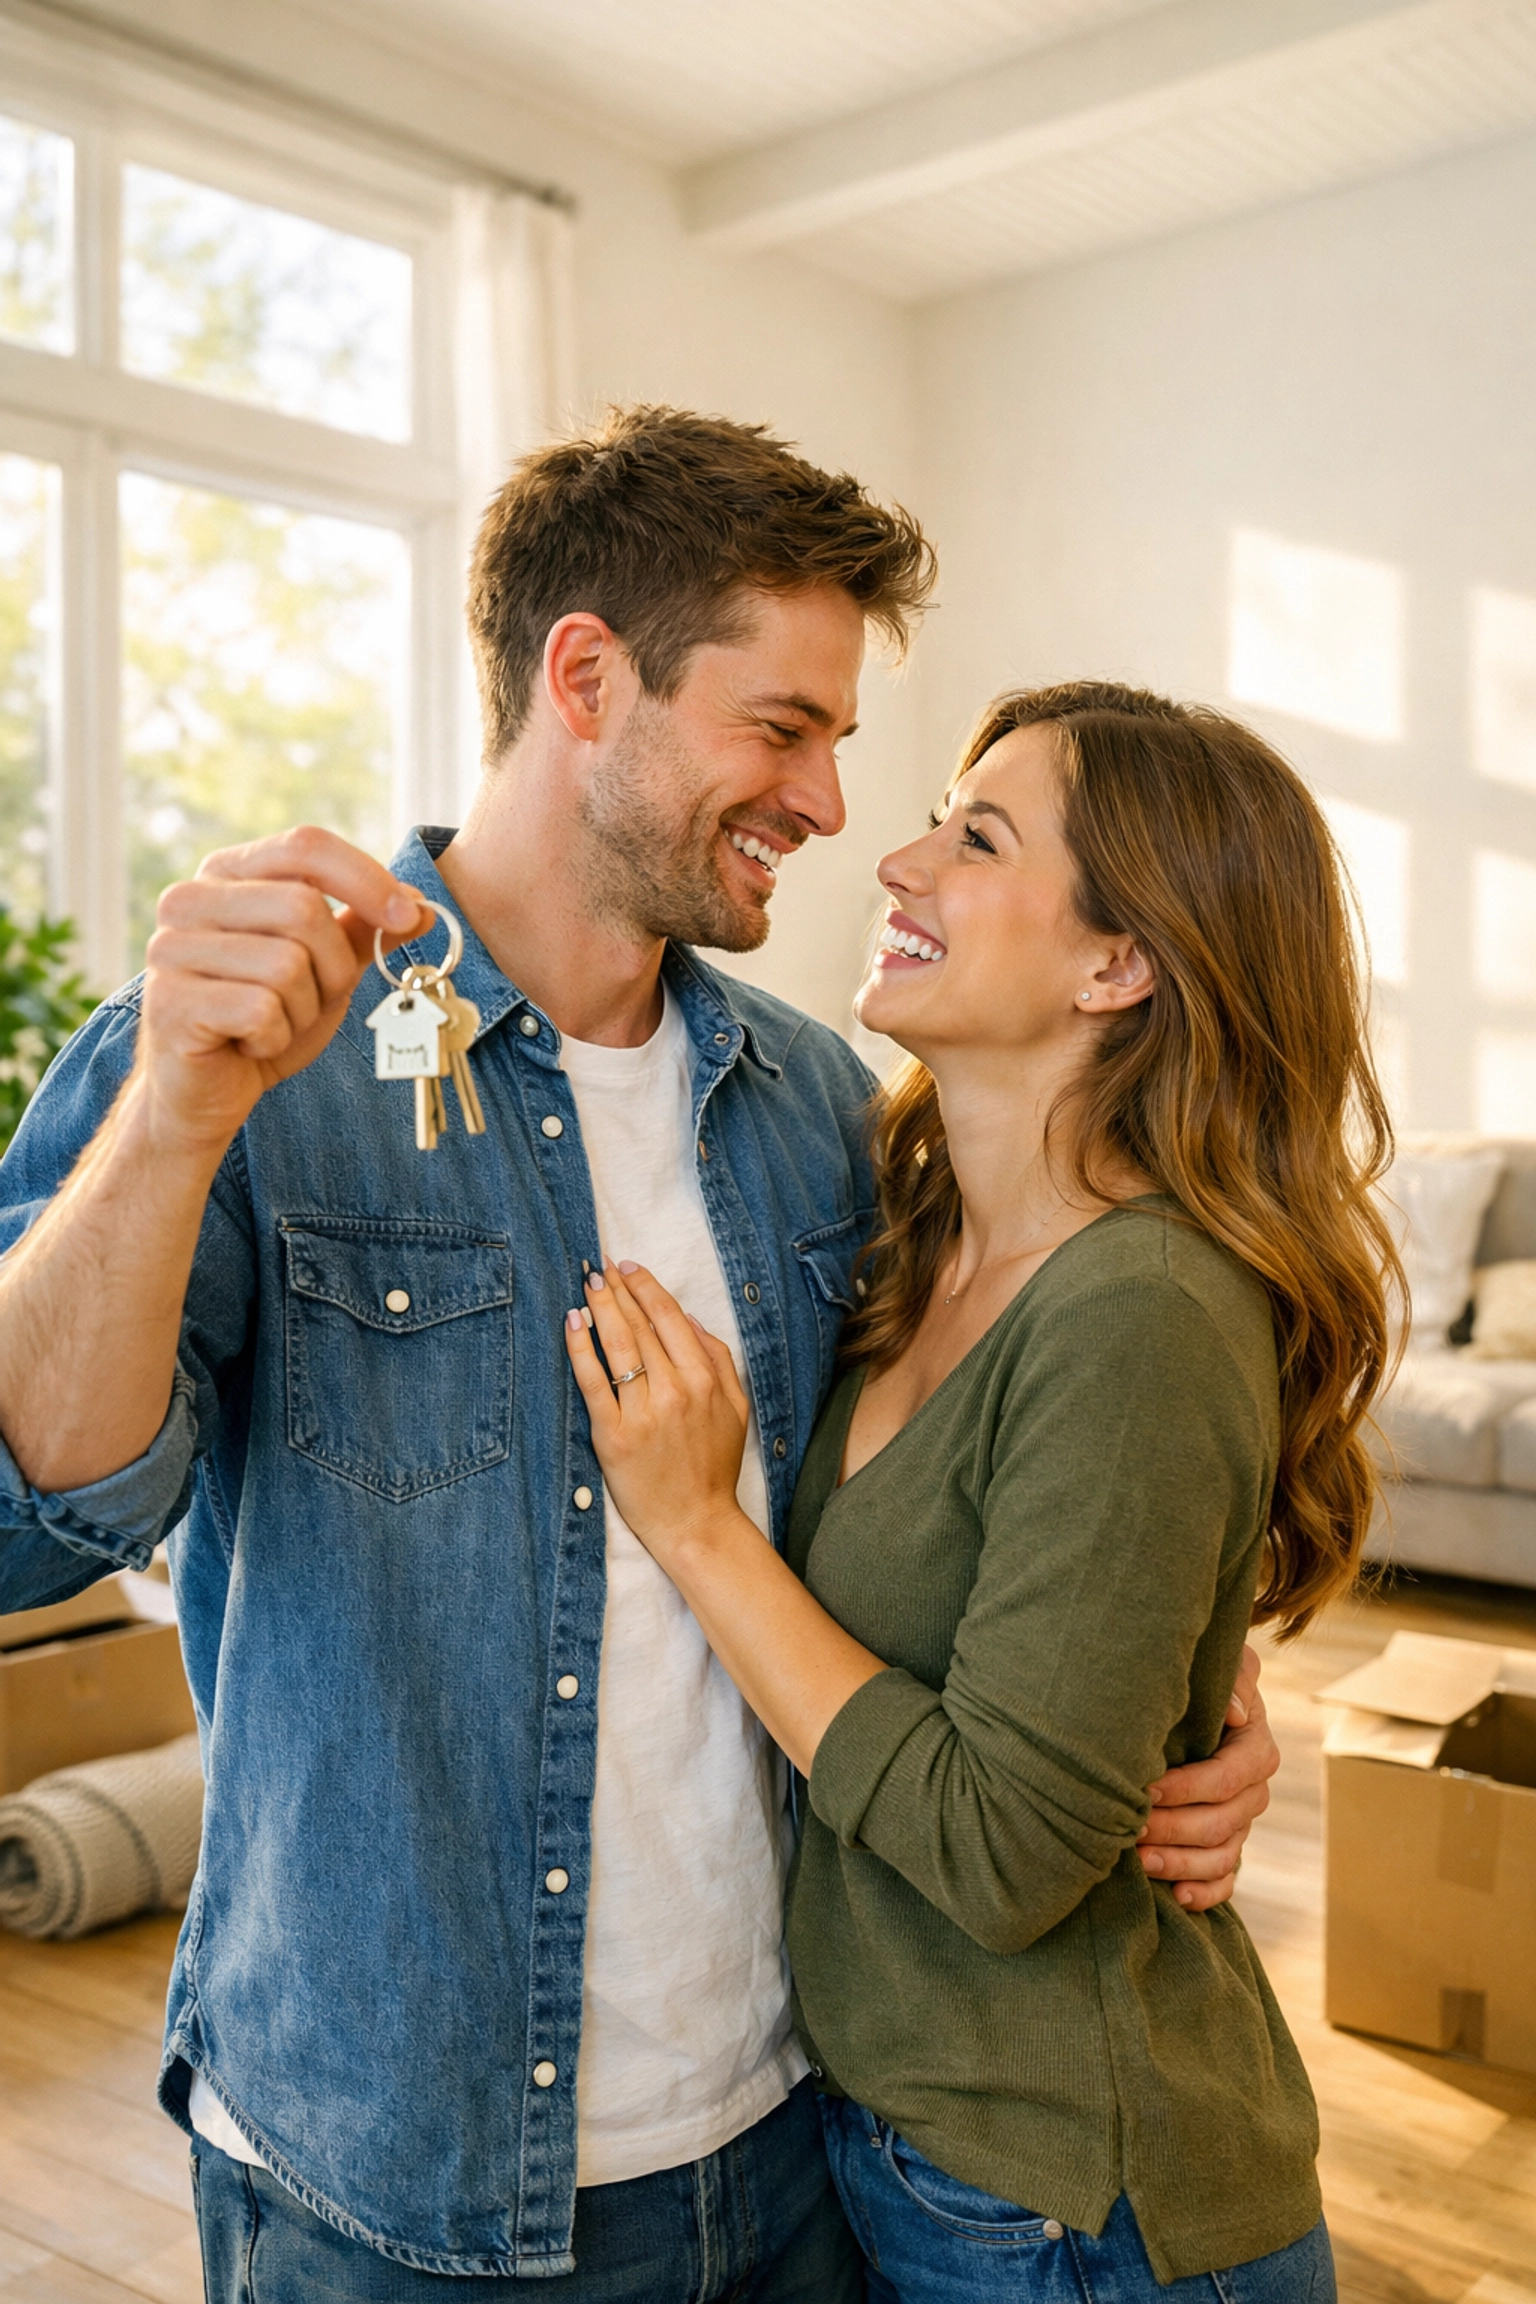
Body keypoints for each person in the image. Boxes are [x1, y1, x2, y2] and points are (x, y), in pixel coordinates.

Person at [0, 417, 1277, 2301]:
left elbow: (1033, 1442)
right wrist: (180, 1124)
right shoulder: (244, 1062)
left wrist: (1192, 1696)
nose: (834, 806)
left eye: (841, 740)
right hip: (390, 2177)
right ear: (587, 677)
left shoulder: (827, 1111)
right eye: (784, 728)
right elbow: (31, 1531)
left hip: (791, 2141)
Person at [562, 680, 1398, 2299]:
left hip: (1078, 2211)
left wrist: (696, 1524)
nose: (897, 860)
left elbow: (1013, 1856)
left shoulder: (1142, 1310)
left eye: (977, 836)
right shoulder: (917, 1241)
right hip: (920, 2164)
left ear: (1118, 964)